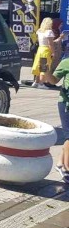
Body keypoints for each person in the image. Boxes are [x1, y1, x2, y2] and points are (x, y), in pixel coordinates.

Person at [42, 46, 69, 183]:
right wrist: (45, 71)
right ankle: (66, 169)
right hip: (66, 104)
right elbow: (53, 81)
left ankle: (60, 164)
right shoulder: (66, 62)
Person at [32, 17, 59, 89]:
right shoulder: (49, 32)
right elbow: (50, 44)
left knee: (38, 66)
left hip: (40, 49)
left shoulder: (39, 31)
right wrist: (53, 53)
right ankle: (41, 83)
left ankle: (36, 82)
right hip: (46, 51)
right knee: (44, 68)